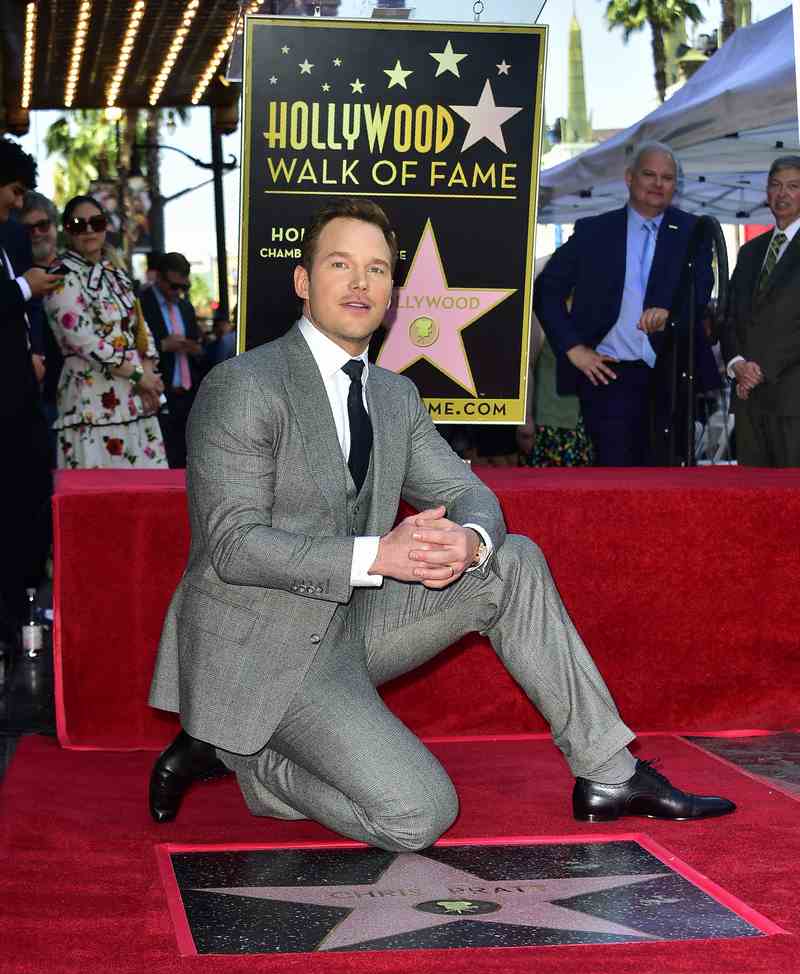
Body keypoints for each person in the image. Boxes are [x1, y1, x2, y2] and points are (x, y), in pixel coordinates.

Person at [147, 197, 734, 846]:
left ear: (393, 292)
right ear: (303, 281)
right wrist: (380, 555)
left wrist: (470, 538)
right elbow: (233, 547)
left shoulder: (395, 396)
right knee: (419, 814)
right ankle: (247, 756)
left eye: (376, 269)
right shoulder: (244, 385)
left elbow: (470, 493)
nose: (360, 282)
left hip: (354, 623)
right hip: (267, 644)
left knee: (513, 561)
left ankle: (608, 772)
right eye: (340, 263)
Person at [533, 141, 718, 466]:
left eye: (668, 177)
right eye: (649, 174)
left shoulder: (694, 231)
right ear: (629, 177)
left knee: (670, 483)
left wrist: (671, 315)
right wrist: (573, 349)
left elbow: (701, 291)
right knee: (616, 482)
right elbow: (545, 289)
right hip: (608, 377)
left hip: (673, 374)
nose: (658, 184)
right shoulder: (594, 231)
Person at [44, 195, 167, 469]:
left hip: (134, 398)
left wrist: (147, 370)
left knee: (147, 496)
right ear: (67, 230)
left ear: (105, 227)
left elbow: (141, 326)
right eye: (79, 224)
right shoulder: (59, 274)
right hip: (89, 403)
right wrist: (138, 374)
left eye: (96, 222)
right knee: (98, 499)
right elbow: (82, 340)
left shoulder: (117, 273)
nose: (89, 230)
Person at [0, 139, 62, 646]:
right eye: (15, 191)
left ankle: (17, 610)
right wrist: (24, 289)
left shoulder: (5, 241)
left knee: (28, 507)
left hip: (19, 405)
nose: (18, 204)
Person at [721, 156, 800, 466]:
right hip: (747, 402)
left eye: (793, 186)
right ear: (766, 194)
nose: (783, 194)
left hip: (792, 402)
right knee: (751, 506)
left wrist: (761, 368)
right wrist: (737, 364)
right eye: (776, 186)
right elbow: (729, 317)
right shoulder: (750, 251)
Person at [139, 252, 205, 468]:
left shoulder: (186, 307)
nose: (178, 292)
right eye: (173, 286)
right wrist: (163, 346)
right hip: (159, 393)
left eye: (183, 287)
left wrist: (195, 348)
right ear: (158, 278)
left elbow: (198, 346)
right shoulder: (142, 303)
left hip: (188, 396)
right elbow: (134, 346)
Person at [20, 192, 64, 462]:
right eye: (28, 228)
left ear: (55, 226)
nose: (37, 233)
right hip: (34, 402)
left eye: (43, 225)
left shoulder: (74, 270)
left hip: (77, 400)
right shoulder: (17, 279)